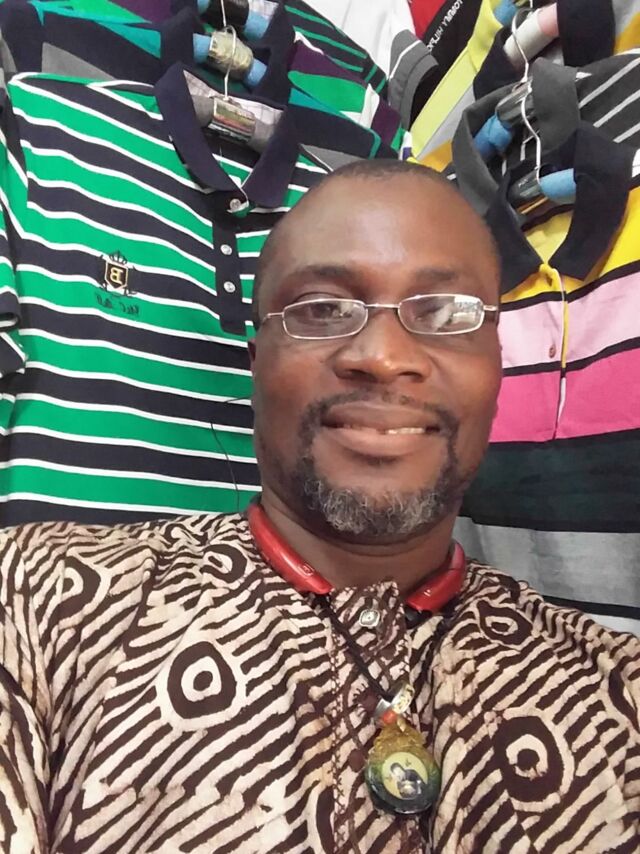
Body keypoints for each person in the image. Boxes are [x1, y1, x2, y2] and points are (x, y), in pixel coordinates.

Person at [0, 160, 637, 854]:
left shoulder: (616, 693)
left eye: (444, 313)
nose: (384, 356)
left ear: (496, 360)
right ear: (256, 361)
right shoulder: (38, 600)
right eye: (322, 309)